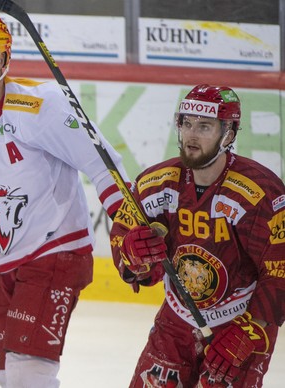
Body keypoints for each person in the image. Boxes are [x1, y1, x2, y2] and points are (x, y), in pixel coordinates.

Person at [0, 15, 129, 387]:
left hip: (57, 250)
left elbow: (102, 162)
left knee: (28, 371)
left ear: (0, 60)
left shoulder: (42, 105)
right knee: (5, 373)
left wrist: (128, 224)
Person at [109, 84, 285, 387]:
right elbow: (126, 251)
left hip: (239, 323)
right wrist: (133, 253)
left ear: (228, 133)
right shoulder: (154, 183)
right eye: (187, 124)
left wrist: (249, 330)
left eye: (204, 126)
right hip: (177, 321)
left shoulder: (261, 194)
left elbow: (279, 272)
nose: (192, 134)